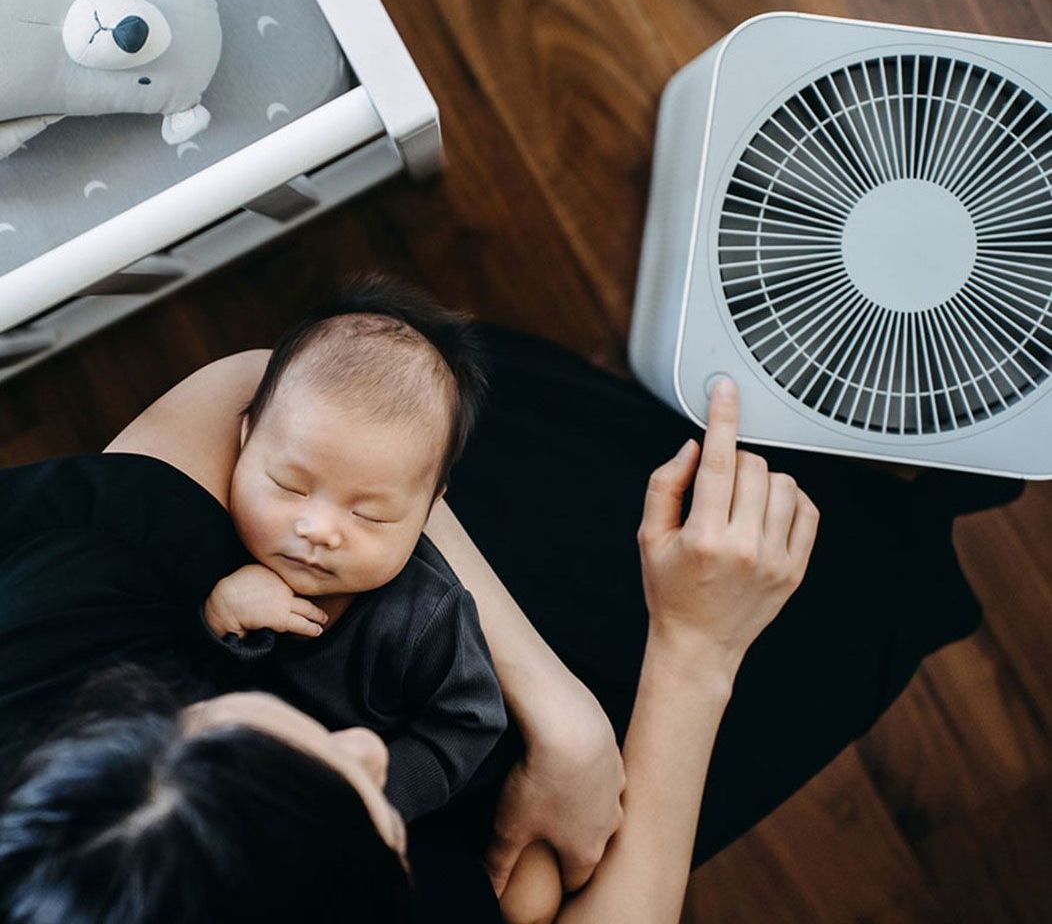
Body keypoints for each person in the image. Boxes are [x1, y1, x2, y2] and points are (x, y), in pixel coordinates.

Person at [0, 285, 1017, 921]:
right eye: (365, 807)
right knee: (829, 625)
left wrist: (560, 714)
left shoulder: (43, 632)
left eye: (197, 715)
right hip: (588, 765)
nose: (361, 745)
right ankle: (940, 494)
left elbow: (256, 392)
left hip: (482, 659)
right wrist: (697, 653)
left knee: (556, 451)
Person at [197, 280, 508, 825]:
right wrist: (218, 624)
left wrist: (374, 793)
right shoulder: (211, 541)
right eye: (290, 486)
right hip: (256, 798)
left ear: (429, 508)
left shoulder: (427, 619)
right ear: (245, 441)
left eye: (369, 516)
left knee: (530, 898)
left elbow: (470, 725)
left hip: (416, 810)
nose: (318, 530)